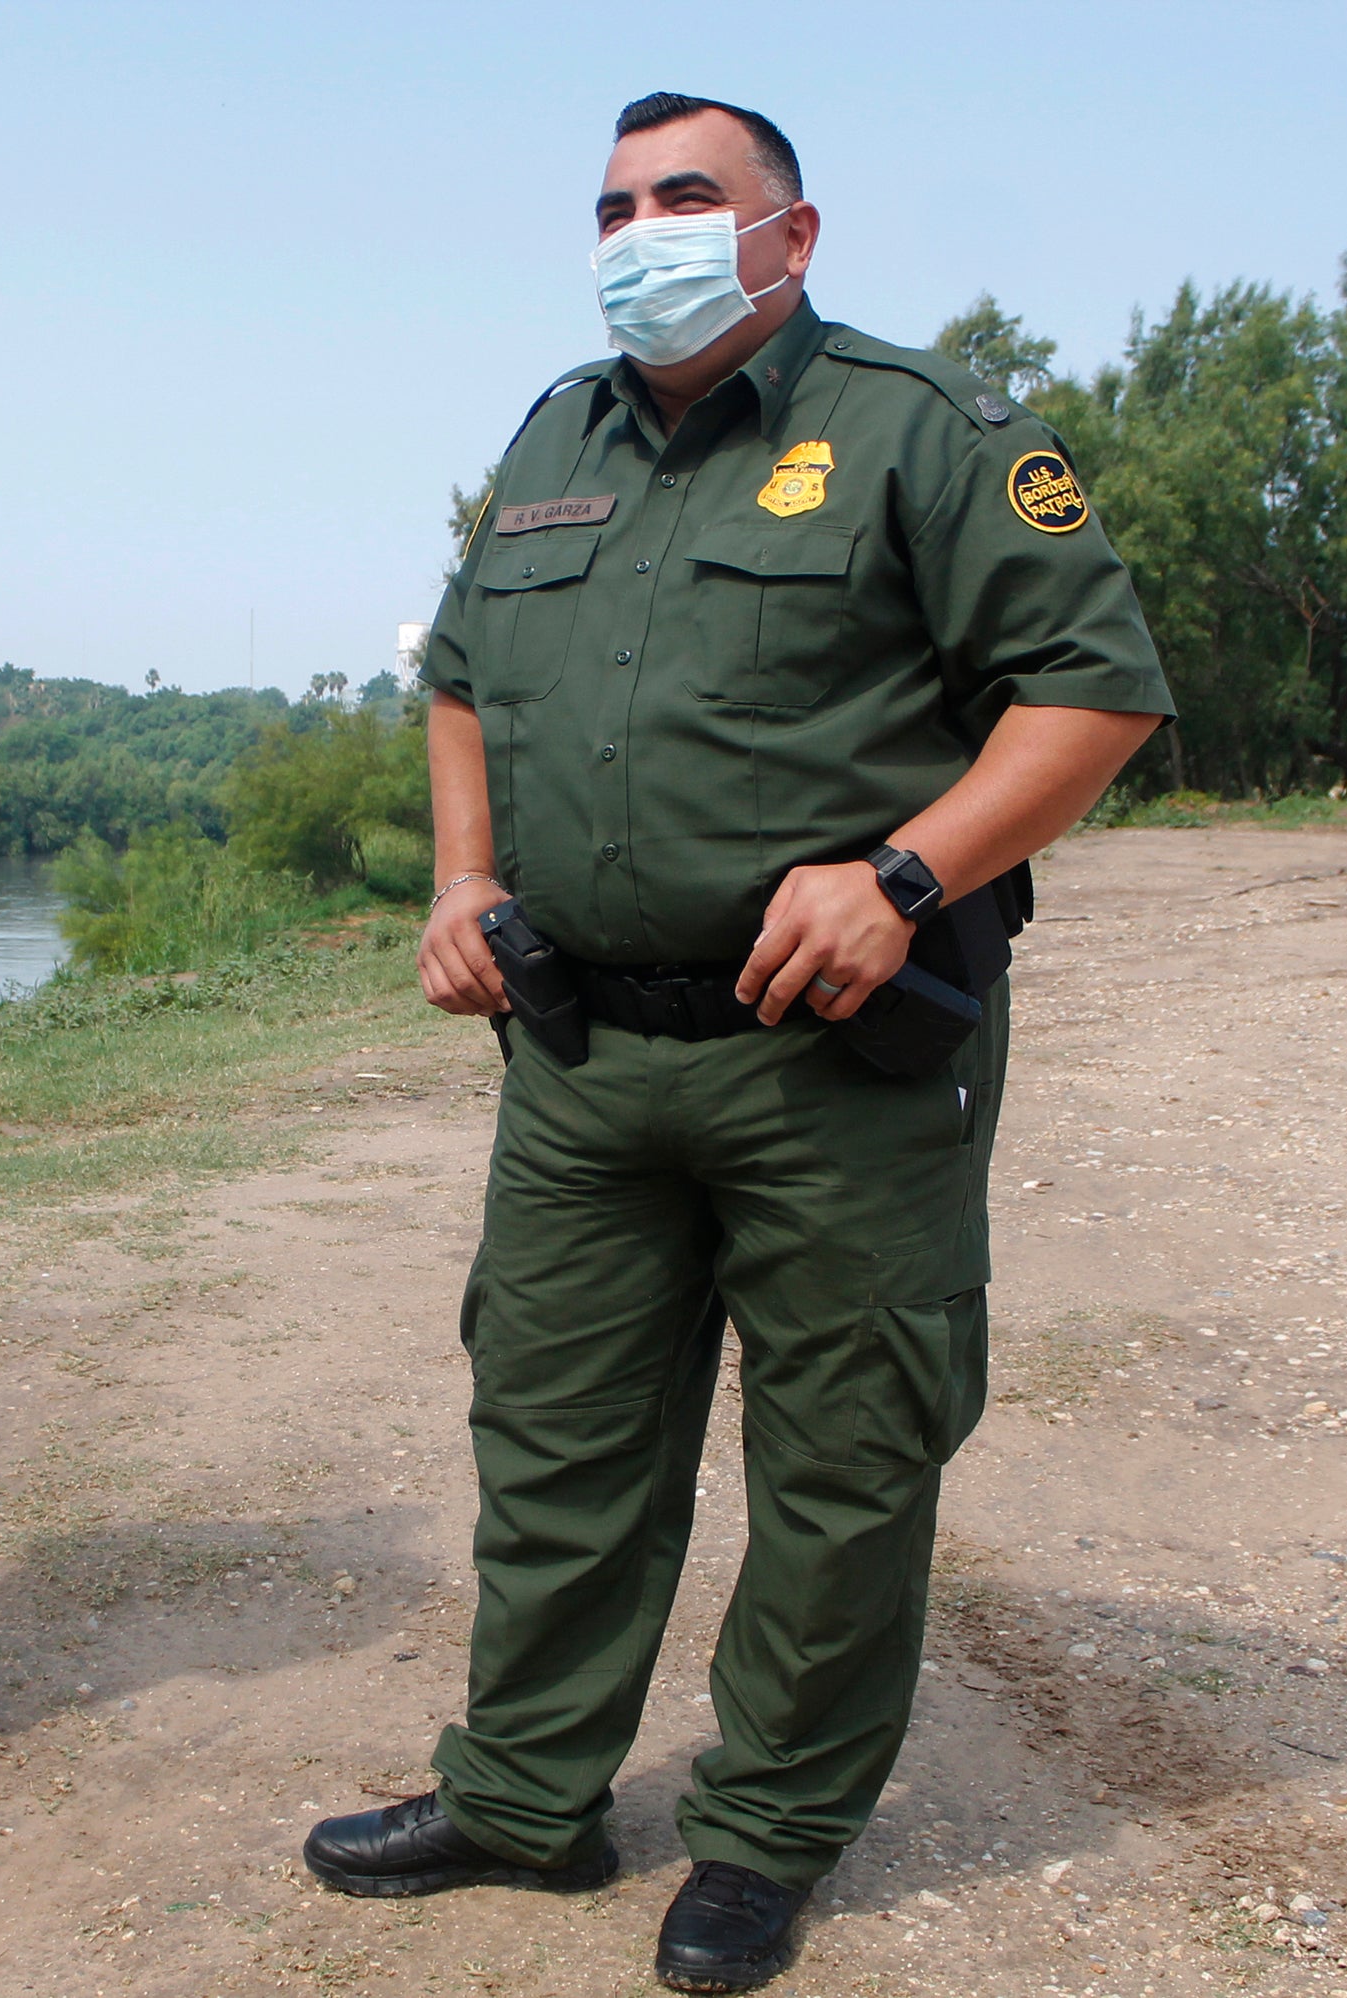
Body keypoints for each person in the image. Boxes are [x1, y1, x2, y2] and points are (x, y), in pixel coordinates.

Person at [299, 95, 1172, 1990]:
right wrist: (462, 882)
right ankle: (524, 1796)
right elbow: (457, 678)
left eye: (685, 196)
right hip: (584, 1056)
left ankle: (768, 1832)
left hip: (835, 1057)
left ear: (792, 230)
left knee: (846, 1452)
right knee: (554, 1439)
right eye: (613, 204)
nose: (641, 230)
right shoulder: (556, 432)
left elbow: (1096, 691)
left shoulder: (925, 432)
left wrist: (910, 875)